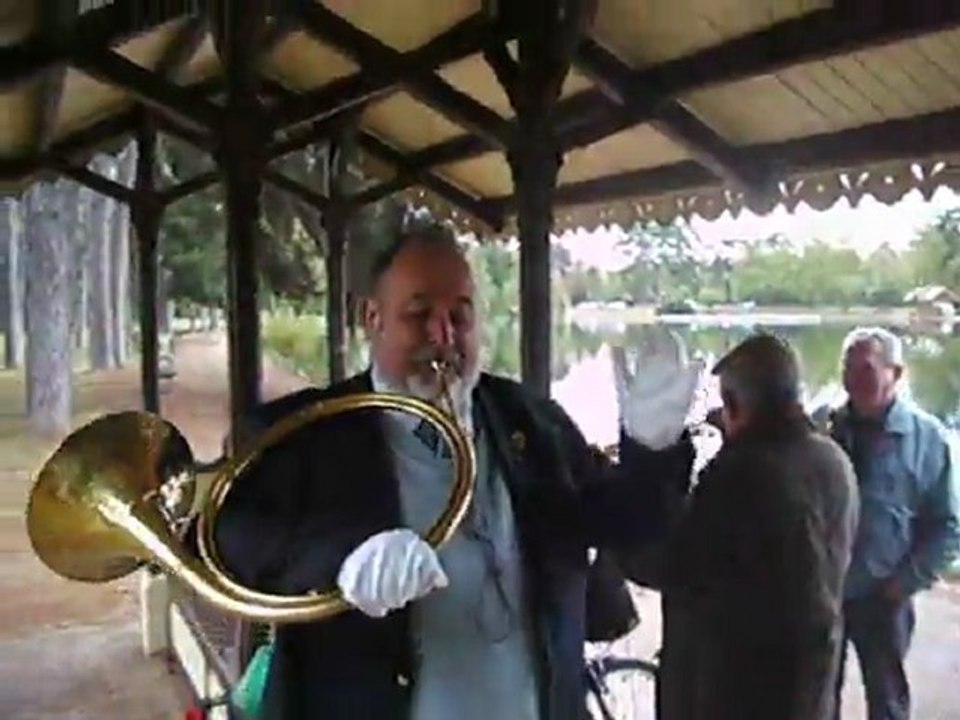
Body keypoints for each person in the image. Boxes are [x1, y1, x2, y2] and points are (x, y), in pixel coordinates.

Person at [210, 220, 702, 720]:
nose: (442, 336)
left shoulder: (533, 420)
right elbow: (226, 538)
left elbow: (629, 531)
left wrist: (651, 452)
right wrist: (338, 560)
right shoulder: (304, 432)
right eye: (418, 314)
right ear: (372, 318)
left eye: (460, 316)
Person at [619, 333, 859, 720]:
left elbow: (662, 563)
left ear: (733, 403)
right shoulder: (833, 460)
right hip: (811, 688)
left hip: (737, 692)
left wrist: (651, 460)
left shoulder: (743, 474)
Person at [829, 327, 960, 720]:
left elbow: (947, 526)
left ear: (896, 373)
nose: (855, 379)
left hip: (885, 598)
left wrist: (905, 581)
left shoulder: (928, 438)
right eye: (848, 369)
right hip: (824, 593)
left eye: (867, 369)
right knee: (813, 699)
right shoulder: (822, 429)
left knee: (887, 703)